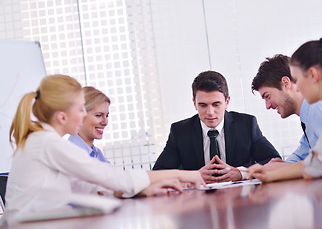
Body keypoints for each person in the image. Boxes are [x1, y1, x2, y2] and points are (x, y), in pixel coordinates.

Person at [6, 74, 205, 216]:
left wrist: (139, 189)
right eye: (81, 110)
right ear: (62, 116)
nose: (84, 115)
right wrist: (181, 174)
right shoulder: (48, 143)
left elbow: (93, 185)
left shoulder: (43, 141)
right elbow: (114, 178)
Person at [248, 31, 322, 182]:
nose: (297, 86)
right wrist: (271, 171)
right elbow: (314, 160)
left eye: (297, 78)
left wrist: (270, 175)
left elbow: (316, 166)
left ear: (313, 75)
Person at [153, 70, 280, 183]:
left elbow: (274, 162)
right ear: (194, 104)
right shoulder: (180, 132)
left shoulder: (246, 124)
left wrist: (240, 173)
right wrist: (194, 176)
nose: (210, 112)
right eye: (203, 105)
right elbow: (158, 173)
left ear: (227, 102)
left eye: (216, 104)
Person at [251, 54, 322, 167]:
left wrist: (284, 167)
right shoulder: (308, 117)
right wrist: (276, 166)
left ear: (286, 83)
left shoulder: (317, 107)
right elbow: (301, 154)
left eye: (267, 96)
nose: (267, 106)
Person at [68, 86, 110, 163]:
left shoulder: (98, 154)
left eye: (107, 115)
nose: (105, 122)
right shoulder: (70, 156)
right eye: (98, 115)